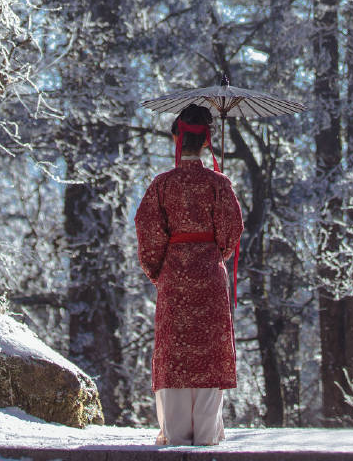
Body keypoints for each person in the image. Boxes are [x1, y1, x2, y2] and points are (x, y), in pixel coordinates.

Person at [135, 103, 244, 447]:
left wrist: (161, 270)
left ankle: (176, 434)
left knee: (175, 355)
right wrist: (213, 255)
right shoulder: (219, 183)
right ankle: (208, 437)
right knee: (209, 353)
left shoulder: (162, 185)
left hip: (174, 277)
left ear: (177, 140)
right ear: (207, 140)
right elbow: (232, 230)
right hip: (210, 275)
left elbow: (147, 229)